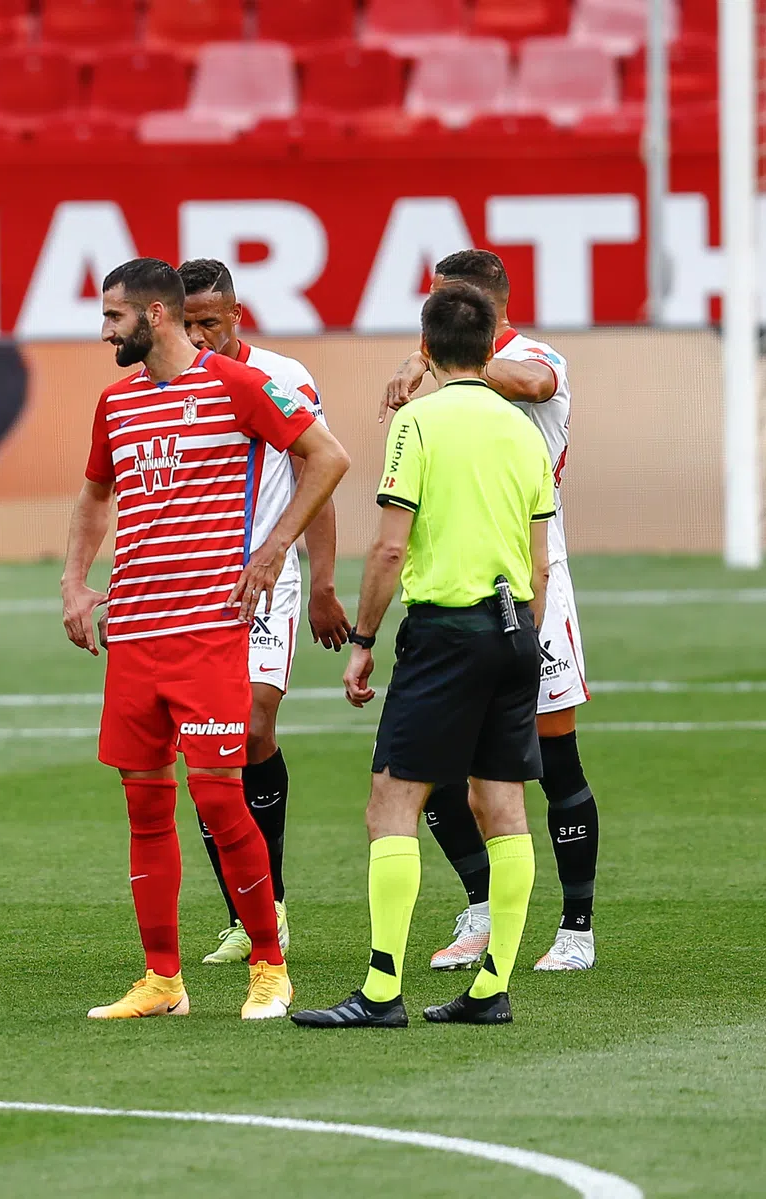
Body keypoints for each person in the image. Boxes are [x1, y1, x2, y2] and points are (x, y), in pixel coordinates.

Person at [61, 258, 350, 1021]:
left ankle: (269, 966)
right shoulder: (115, 403)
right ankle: (162, 979)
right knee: (144, 808)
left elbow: (327, 456)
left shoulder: (239, 385)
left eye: (114, 316)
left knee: (220, 798)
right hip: (133, 633)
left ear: (153, 314)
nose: (104, 330)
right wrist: (74, 580)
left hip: (208, 631)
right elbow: (95, 492)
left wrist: (276, 547)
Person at [293, 282, 554, 1030]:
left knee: (391, 801)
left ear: (427, 347)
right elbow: (540, 563)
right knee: (503, 806)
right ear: (491, 346)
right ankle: (492, 987)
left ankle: (380, 992)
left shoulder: (417, 422)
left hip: (447, 633)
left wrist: (364, 641)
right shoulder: (522, 432)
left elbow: (388, 547)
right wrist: (521, 636)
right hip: (516, 629)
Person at [382, 250, 599, 973]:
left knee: (553, 757)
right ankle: (480, 907)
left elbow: (533, 384)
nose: (435, 316)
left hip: (535, 581)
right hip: (453, 587)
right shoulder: (439, 383)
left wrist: (433, 360)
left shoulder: (537, 358)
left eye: (446, 303)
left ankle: (575, 928)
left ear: (484, 302)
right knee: (435, 765)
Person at [179, 258, 351, 966]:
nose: (198, 337)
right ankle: (242, 914)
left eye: (208, 322)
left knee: (250, 726)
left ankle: (270, 904)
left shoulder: (281, 378)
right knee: (207, 745)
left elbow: (318, 474)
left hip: (264, 584)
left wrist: (322, 583)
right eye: (186, 324)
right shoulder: (166, 388)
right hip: (190, 590)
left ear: (236, 314)